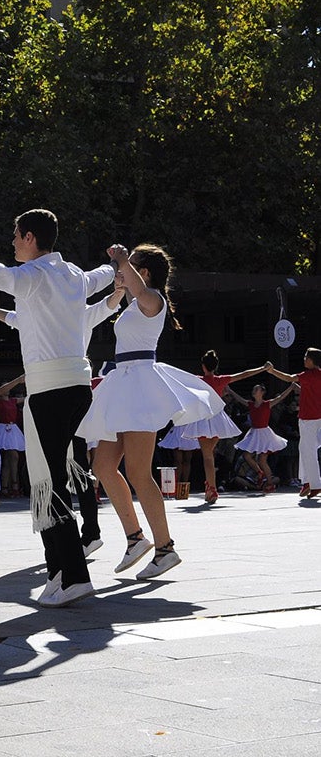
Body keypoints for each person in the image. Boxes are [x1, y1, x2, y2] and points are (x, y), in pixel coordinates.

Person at [0, 210, 117, 608]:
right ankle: (58, 572)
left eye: (15, 236)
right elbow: (101, 275)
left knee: (47, 483)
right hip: (77, 388)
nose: (12, 242)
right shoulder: (73, 276)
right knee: (56, 478)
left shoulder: (34, 275)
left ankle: (72, 576)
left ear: (30, 237)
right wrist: (117, 262)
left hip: (50, 392)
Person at [77, 245, 223, 580]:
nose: (119, 272)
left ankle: (165, 548)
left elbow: (140, 291)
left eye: (129, 268)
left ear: (141, 272)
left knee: (139, 473)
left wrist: (122, 260)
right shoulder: (134, 302)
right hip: (125, 383)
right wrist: (121, 272)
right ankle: (135, 539)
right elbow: (129, 293)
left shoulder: (152, 298)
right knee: (101, 465)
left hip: (140, 386)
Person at [167, 350, 271, 503]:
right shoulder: (220, 380)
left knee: (208, 456)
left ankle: (212, 489)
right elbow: (243, 374)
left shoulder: (198, 380)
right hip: (217, 420)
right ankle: (211, 487)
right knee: (210, 456)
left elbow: (176, 377)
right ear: (215, 366)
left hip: (203, 420)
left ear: (203, 366)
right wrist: (262, 368)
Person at [265, 349, 321, 500]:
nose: (303, 359)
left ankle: (315, 484)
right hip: (315, 418)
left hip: (309, 419)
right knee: (304, 449)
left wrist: (272, 370)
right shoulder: (316, 376)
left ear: (312, 360)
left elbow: (288, 378)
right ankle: (307, 481)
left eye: (306, 357)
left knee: (308, 452)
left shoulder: (307, 375)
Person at [227, 382, 297, 491]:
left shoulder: (267, 404)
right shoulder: (250, 404)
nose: (254, 390)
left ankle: (269, 483)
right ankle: (260, 473)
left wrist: (291, 387)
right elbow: (239, 398)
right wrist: (229, 390)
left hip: (264, 434)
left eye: (257, 389)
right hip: (254, 433)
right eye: (254, 389)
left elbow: (281, 397)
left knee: (262, 460)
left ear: (262, 392)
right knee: (247, 455)